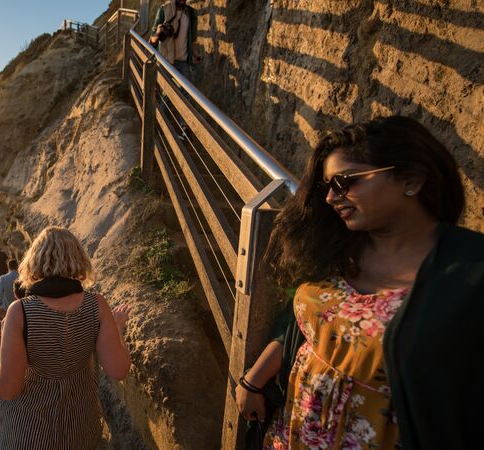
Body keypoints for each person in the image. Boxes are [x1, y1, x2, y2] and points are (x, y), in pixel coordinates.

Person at [235, 116, 483, 449]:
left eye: (345, 182)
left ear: (411, 179)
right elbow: (305, 326)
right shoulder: (337, 248)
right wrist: (254, 379)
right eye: (327, 186)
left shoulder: (471, 274)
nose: (330, 198)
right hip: (291, 433)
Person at [0, 226, 131, 449]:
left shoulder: (20, 311)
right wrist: (116, 329)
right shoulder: (97, 305)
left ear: (35, 260)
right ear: (79, 259)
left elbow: (8, 387)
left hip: (25, 435)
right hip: (79, 433)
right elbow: (118, 370)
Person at [150, 0, 200, 79]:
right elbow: (152, 40)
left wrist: (195, 54)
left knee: (185, 91)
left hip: (183, 61)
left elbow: (192, 39)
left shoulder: (191, 12)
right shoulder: (163, 10)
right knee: (166, 89)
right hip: (166, 60)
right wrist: (157, 33)